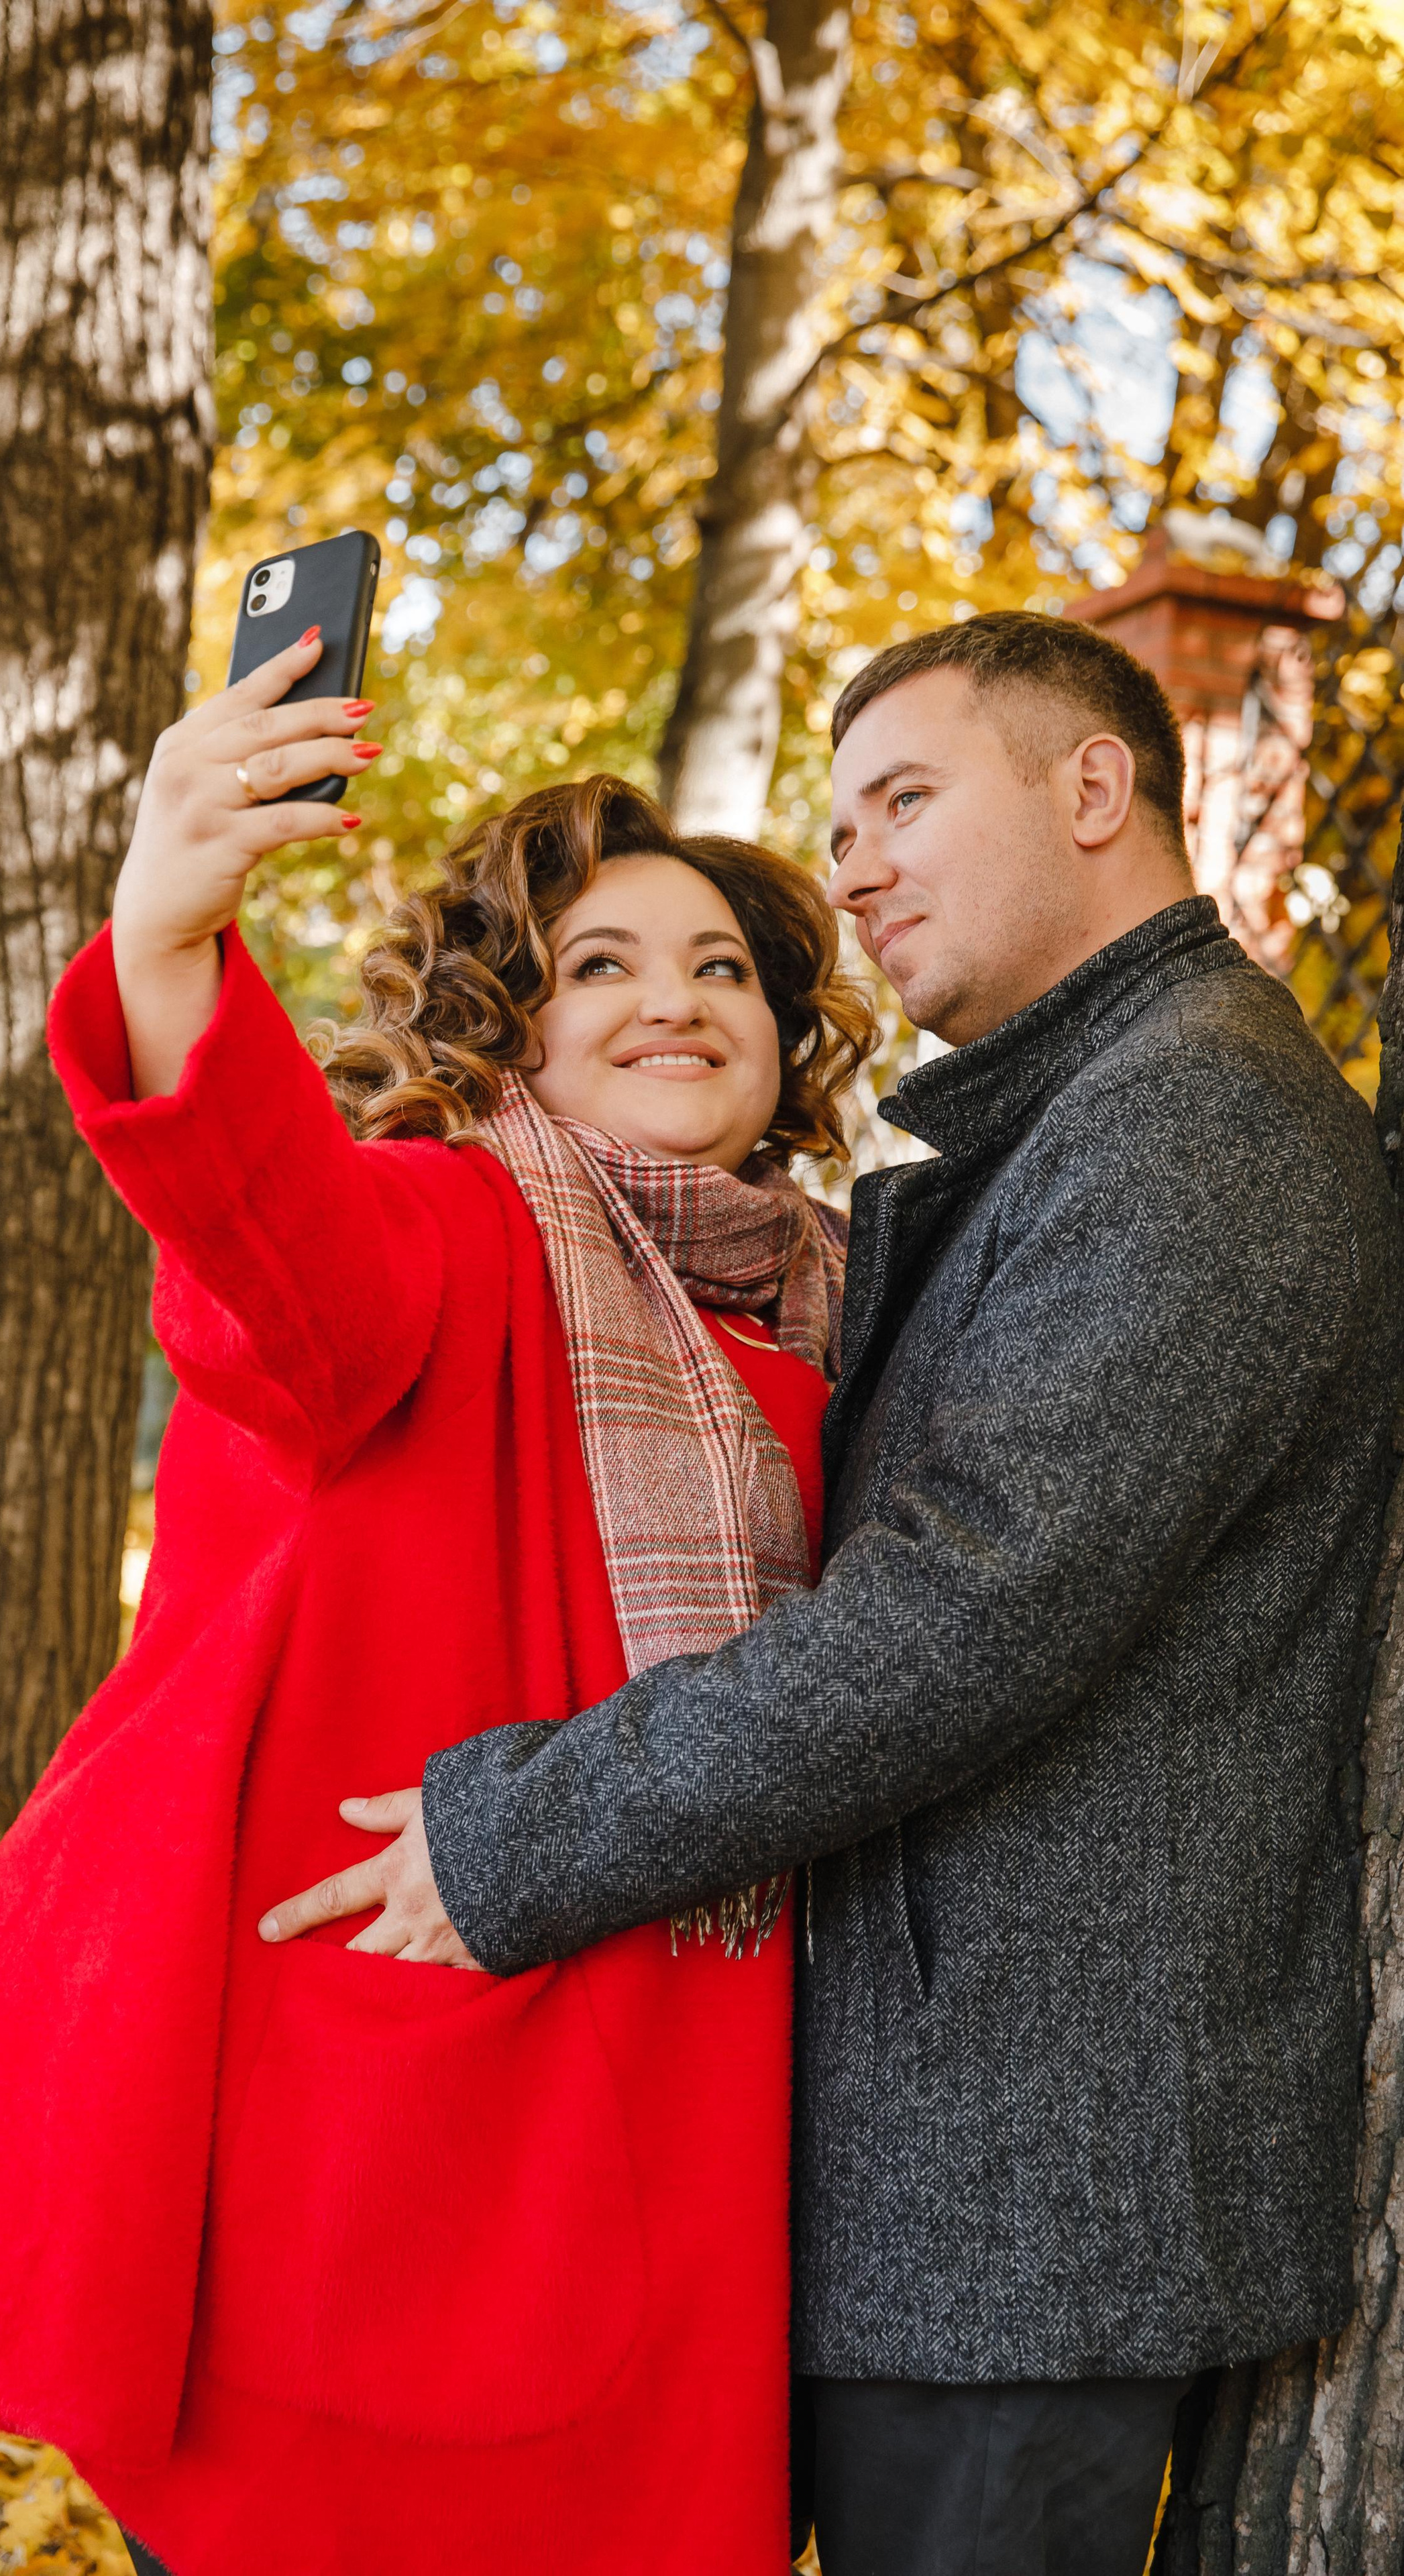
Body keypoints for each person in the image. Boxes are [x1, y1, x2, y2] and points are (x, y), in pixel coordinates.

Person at [262, 609, 1404, 2576]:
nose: (854, 861)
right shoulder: (1084, 1114)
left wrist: (520, 1832)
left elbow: (963, 1615)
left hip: (1038, 2192)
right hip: (951, 2179)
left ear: (1095, 790)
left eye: (904, 799)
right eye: (840, 816)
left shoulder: (1197, 1126)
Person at [0, 633, 875, 2576]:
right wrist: (166, 936)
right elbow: (264, 1235)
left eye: (725, 968)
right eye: (605, 964)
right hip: (396, 2142)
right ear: (508, 1031)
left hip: (676, 2141)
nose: (679, 1000)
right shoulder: (451, 1226)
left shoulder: (817, 1317)